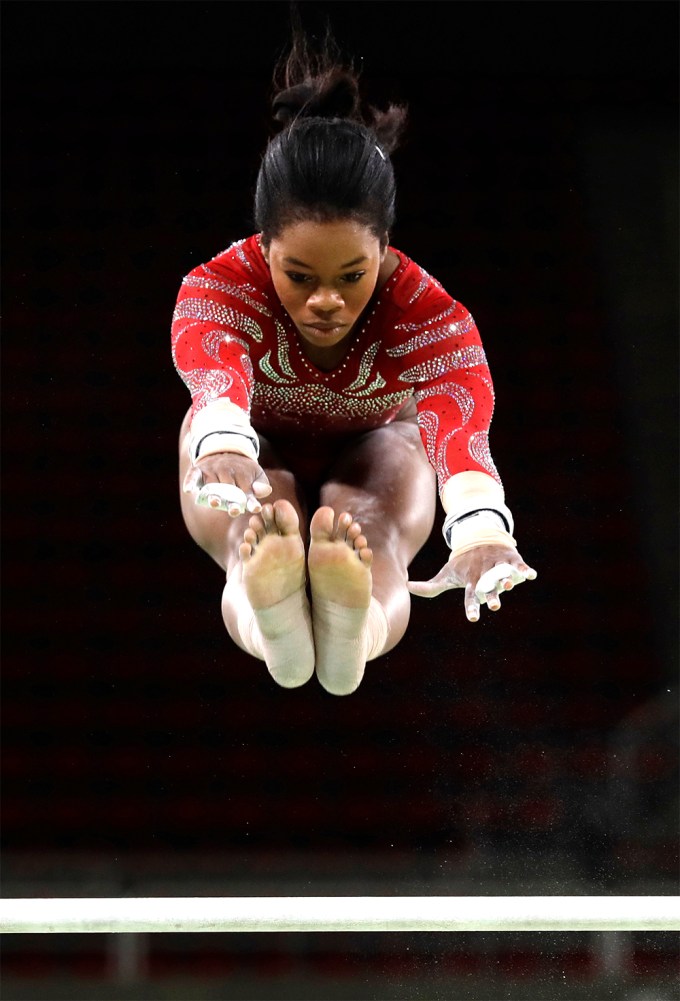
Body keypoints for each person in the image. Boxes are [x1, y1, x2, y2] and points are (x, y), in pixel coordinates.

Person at [172, 25, 536, 696]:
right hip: (254, 439)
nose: (326, 302)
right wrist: (223, 438)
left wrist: (481, 525)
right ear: (264, 246)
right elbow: (216, 371)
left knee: (371, 525)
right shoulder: (221, 285)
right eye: (299, 275)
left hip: (374, 441)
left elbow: (458, 425)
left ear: (385, 249)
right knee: (255, 514)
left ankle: (355, 630)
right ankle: (271, 623)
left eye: (351, 274)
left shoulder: (429, 315)